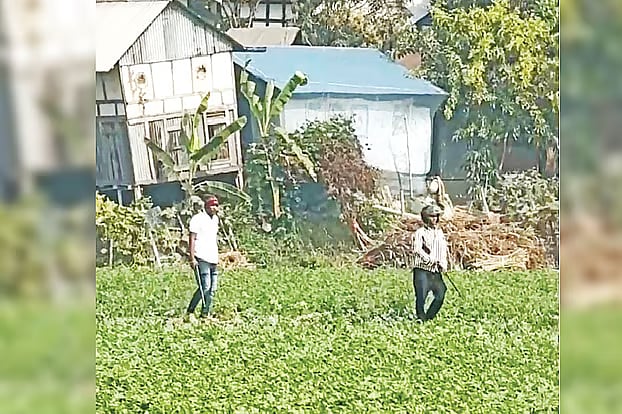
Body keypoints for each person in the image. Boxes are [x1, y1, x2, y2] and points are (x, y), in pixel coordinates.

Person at [412, 204, 449, 322]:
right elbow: (417, 250)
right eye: (432, 216)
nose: (435, 219)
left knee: (441, 293)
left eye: (436, 216)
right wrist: (429, 259)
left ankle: (429, 317)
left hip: (435, 270)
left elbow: (443, 249)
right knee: (421, 296)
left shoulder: (439, 233)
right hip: (422, 270)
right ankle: (420, 318)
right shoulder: (420, 232)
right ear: (426, 217)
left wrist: (443, 263)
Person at [185, 195, 220, 321]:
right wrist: (191, 257)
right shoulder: (197, 219)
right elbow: (192, 238)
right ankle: (190, 311)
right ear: (206, 206)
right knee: (204, 286)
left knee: (212, 289)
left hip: (213, 257)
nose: (214, 208)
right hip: (201, 257)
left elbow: (213, 239)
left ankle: (205, 314)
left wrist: (218, 256)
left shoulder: (216, 219)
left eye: (216, 205)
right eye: (212, 205)